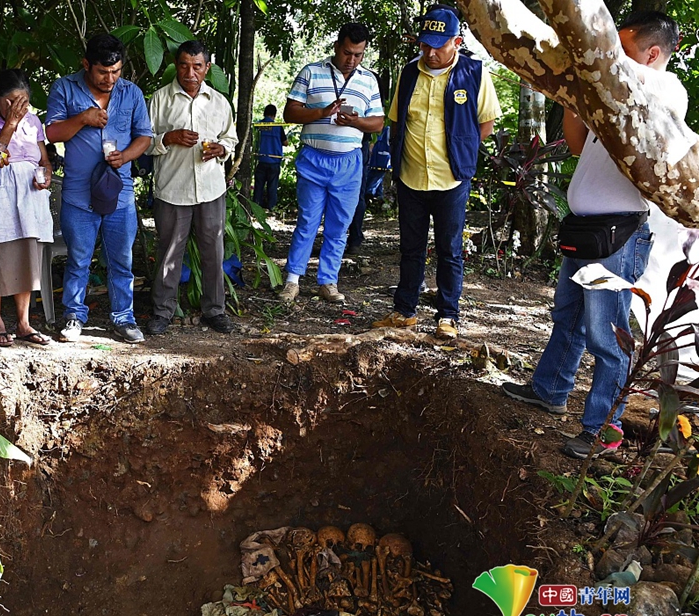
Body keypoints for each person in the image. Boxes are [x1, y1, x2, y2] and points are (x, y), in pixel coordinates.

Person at [502, 11, 688, 459]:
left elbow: (623, 80)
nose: (610, 58)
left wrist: (588, 71)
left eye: (621, 49)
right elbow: (579, 143)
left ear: (653, 53)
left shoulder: (663, 88)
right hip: (588, 229)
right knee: (567, 314)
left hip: (619, 234)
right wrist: (573, 98)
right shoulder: (612, 95)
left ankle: (604, 430)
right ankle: (550, 389)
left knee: (608, 335)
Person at [372, 7, 500, 339]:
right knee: (410, 248)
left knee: (449, 249)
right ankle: (404, 312)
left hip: (452, 178)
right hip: (411, 176)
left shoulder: (473, 73)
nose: (430, 53)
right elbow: (398, 120)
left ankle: (447, 316)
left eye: (438, 46)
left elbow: (485, 122)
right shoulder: (409, 73)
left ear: (456, 42)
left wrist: (460, 149)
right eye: (424, 46)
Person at [46, 34, 153, 344]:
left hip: (119, 192)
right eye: (103, 72)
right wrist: (83, 118)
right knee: (79, 258)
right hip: (79, 194)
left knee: (122, 259)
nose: (110, 79)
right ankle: (74, 316)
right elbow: (51, 132)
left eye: (116, 71)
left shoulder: (131, 93)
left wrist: (127, 156)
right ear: (86, 65)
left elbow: (144, 136)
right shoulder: (65, 87)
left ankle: (124, 318)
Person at [278, 23, 384, 304]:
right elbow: (290, 112)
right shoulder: (311, 72)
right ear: (337, 46)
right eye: (348, 52)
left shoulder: (369, 80)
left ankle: (328, 281)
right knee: (307, 221)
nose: (352, 60)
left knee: (339, 226)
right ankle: (292, 280)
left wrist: (356, 121)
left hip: (349, 162)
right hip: (313, 158)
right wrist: (323, 113)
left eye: (359, 55)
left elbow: (378, 122)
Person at [146, 40, 239, 336]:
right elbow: (143, 142)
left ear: (207, 68)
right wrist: (168, 138)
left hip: (211, 189)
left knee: (214, 250)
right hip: (173, 189)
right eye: (184, 65)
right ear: (176, 65)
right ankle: (162, 312)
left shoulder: (219, 101)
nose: (190, 72)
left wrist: (221, 149)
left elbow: (231, 140)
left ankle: (215, 311)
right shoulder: (160, 100)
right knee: (169, 251)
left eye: (197, 66)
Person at [0, 69, 54, 347]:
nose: (15, 108)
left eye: (21, 102)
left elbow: (43, 159)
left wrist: (45, 173)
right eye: (9, 101)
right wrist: (9, 124)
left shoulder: (34, 121)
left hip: (29, 196)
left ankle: (24, 322)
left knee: (26, 254)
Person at [253, 104, 287, 210]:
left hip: (261, 159)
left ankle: (256, 207)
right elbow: (285, 143)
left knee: (258, 185)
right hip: (274, 161)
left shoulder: (258, 125)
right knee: (272, 186)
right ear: (274, 114)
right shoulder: (278, 126)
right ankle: (271, 207)